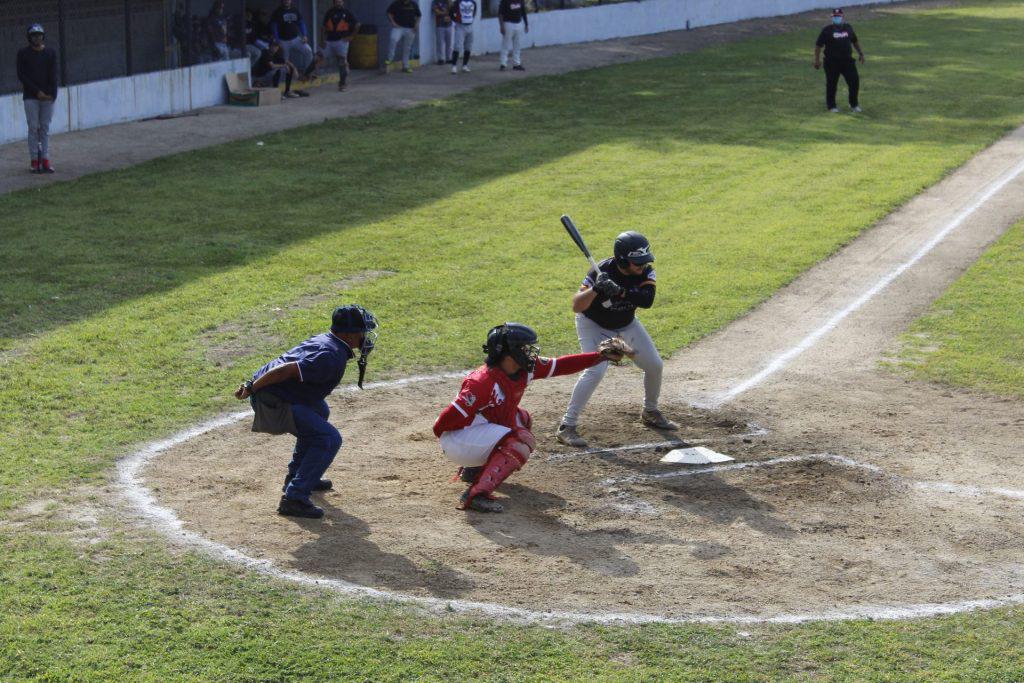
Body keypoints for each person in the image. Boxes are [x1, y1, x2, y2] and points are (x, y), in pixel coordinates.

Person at [434, 323, 631, 512]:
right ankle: (477, 495)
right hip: (457, 441)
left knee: (522, 418)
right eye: (525, 348)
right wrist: (470, 435)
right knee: (519, 439)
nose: (531, 352)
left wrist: (598, 356)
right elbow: (445, 422)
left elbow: (561, 365)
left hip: (472, 436)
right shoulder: (482, 383)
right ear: (509, 352)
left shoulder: (524, 369)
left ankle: (474, 470)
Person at [234, 305, 379, 519]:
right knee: (329, 438)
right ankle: (295, 498)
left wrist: (253, 383)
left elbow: (287, 362)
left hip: (279, 394)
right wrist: (252, 387)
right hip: (273, 400)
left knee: (320, 410)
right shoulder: (330, 355)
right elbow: (287, 368)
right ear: (348, 335)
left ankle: (298, 476)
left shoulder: (328, 342)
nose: (366, 336)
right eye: (362, 331)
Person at [556, 231, 678, 448]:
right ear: (622, 259)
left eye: (643, 260)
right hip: (594, 325)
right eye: (636, 262)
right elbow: (577, 305)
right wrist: (596, 289)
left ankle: (650, 411)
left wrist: (620, 292)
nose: (642, 265)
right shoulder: (601, 271)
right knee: (596, 370)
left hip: (626, 323)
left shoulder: (647, 271)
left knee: (654, 366)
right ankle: (567, 426)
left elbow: (647, 300)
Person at [16, 23, 58, 174]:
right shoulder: (23, 53)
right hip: (31, 97)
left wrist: (52, 95)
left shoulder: (50, 53)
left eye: (39, 35)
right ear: (29, 37)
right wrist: (36, 91)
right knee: (33, 127)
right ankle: (35, 159)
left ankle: (45, 159)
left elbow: (53, 74)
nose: (37, 38)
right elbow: (22, 75)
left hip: (47, 97)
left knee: (45, 128)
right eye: (34, 35)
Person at [814, 8, 865, 113]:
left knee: (854, 82)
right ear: (832, 18)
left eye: (839, 16)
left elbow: (854, 41)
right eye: (835, 16)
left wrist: (860, 53)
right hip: (832, 62)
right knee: (832, 84)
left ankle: (853, 104)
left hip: (847, 62)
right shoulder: (827, 30)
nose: (837, 18)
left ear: (842, 17)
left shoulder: (848, 28)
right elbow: (818, 46)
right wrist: (817, 61)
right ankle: (831, 106)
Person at [321, 0, 360, 91]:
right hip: (329, 41)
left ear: (343, 2)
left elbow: (357, 24)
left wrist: (352, 36)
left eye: (340, 1)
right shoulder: (329, 12)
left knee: (342, 62)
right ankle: (306, 76)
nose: (338, 3)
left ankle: (342, 84)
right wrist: (322, 40)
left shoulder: (347, 13)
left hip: (342, 41)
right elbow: (323, 27)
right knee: (317, 57)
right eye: (337, 1)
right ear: (334, 3)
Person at [271, 0, 314, 75]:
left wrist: (304, 35)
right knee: (284, 61)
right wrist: (277, 40)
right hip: (283, 41)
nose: (286, 1)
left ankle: (308, 73)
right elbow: (274, 27)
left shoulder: (295, 10)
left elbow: (301, 23)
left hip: (295, 39)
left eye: (288, 0)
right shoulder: (277, 12)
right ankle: (286, 78)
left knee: (308, 50)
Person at [384, 0, 421, 74]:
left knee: (407, 48)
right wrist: (393, 23)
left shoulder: (413, 4)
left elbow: (419, 15)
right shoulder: (396, 3)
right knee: (393, 39)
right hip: (398, 27)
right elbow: (389, 13)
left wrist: (417, 25)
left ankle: (405, 66)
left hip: (410, 28)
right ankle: (390, 58)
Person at [498, 0, 528, 71]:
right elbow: (500, 13)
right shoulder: (505, 1)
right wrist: (501, 26)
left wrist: (526, 24)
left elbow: (523, 12)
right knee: (505, 45)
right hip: (508, 23)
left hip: (518, 23)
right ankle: (503, 64)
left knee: (517, 45)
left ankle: (517, 64)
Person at [449, 0, 477, 74]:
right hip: (460, 26)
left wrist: (470, 20)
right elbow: (451, 12)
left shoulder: (473, 3)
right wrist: (455, 20)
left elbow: (474, 12)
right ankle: (454, 66)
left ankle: (465, 65)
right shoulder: (457, 2)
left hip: (470, 26)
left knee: (468, 46)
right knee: (457, 46)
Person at [432, 0, 454, 66]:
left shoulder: (448, 1)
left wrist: (449, 2)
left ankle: (448, 58)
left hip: (449, 25)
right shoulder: (435, 2)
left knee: (449, 43)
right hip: (440, 25)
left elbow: (453, 11)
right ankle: (440, 59)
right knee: (440, 43)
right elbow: (436, 12)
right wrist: (445, 13)